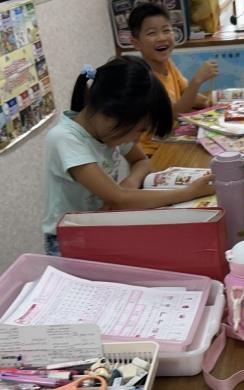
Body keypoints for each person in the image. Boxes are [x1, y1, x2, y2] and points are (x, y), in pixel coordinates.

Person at [41, 57, 215, 256]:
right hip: (68, 241)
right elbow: (120, 200)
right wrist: (190, 192)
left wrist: (131, 181)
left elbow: (141, 161)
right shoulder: (65, 139)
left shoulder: (109, 131)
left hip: (99, 227)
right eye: (139, 130)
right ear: (110, 114)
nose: (137, 138)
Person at [127, 2, 219, 154]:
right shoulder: (143, 78)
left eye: (166, 30)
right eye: (152, 33)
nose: (161, 38)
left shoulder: (168, 64)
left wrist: (207, 102)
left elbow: (185, 93)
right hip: (153, 150)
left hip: (173, 136)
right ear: (136, 43)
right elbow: (174, 113)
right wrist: (197, 80)